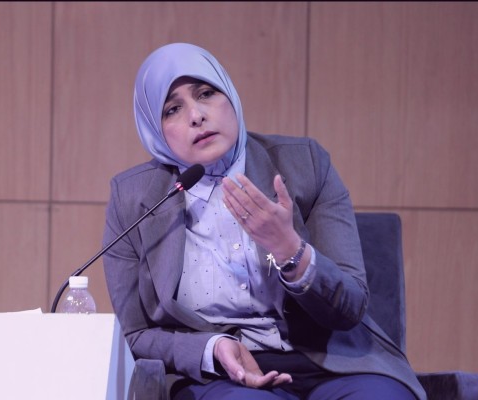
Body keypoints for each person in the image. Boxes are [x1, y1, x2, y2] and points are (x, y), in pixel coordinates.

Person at [103, 42, 427, 400]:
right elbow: (136, 334)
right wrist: (211, 349)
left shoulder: (306, 165)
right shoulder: (133, 199)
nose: (196, 115)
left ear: (230, 95)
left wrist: (290, 250)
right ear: (154, 129)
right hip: (219, 377)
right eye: (173, 109)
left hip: (331, 362)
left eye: (206, 93)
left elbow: (350, 306)